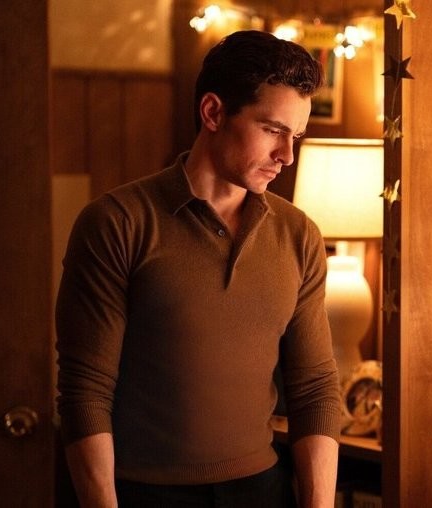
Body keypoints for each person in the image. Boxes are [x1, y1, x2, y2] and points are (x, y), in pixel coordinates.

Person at [55, 30, 341, 508]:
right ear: (212, 112)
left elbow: (314, 389)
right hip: (141, 493)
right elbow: (85, 392)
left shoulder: (299, 235)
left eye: (295, 136)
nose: (287, 156)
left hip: (261, 491)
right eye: (272, 130)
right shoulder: (117, 222)